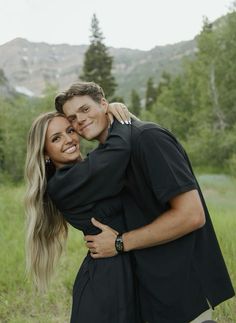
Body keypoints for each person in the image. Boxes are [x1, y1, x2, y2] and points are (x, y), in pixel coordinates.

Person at [55, 81, 235, 323]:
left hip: (181, 285)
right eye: (73, 118)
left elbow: (191, 215)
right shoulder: (105, 159)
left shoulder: (148, 138)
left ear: (104, 105)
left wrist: (119, 243)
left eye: (85, 110)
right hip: (146, 286)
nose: (80, 120)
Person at [24, 110, 142, 323]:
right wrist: (115, 115)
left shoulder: (85, 170)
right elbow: (119, 150)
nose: (69, 139)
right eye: (56, 138)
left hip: (124, 267)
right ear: (45, 153)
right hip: (107, 283)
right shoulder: (64, 183)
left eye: (70, 131)